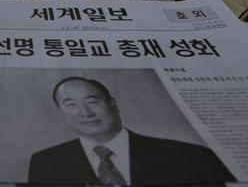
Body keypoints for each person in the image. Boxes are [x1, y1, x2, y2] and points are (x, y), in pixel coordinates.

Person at [27, 77, 235, 186]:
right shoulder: (44, 162)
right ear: (60, 112)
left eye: (92, 101)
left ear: (113, 104)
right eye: (71, 104)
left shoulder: (190, 156)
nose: (85, 112)